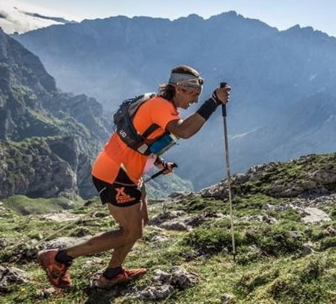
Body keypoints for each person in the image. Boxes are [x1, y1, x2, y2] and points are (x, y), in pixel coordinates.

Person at [36, 65, 230, 289]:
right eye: (193, 94)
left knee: (139, 225)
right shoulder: (159, 106)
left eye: (199, 96)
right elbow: (184, 131)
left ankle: (113, 273)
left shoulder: (159, 104)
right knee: (130, 231)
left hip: (127, 171)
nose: (195, 100)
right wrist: (213, 101)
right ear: (178, 88)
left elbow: (142, 139)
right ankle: (59, 257)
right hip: (116, 174)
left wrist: (158, 163)